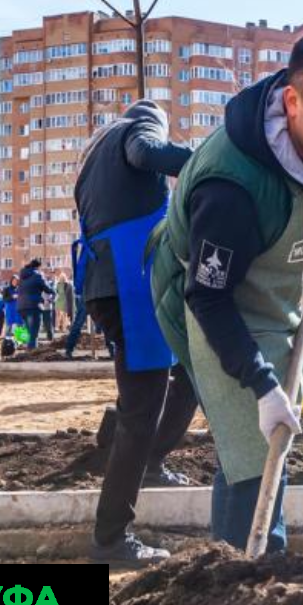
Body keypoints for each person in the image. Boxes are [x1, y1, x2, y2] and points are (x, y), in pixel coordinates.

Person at [151, 26, 303, 553]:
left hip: (276, 298)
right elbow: (209, 297)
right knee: (251, 443)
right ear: (293, 101)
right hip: (208, 301)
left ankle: (242, 568)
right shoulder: (230, 187)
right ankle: (252, 571)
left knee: (265, 440)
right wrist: (262, 383)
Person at [73, 98, 200, 564]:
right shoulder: (138, 125)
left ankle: (150, 459)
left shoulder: (93, 153)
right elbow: (147, 154)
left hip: (110, 282)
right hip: (132, 282)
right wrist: (204, 161)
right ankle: (110, 539)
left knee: (186, 368)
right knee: (141, 408)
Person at [17, 259, 54, 349]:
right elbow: (46, 288)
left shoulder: (22, 276)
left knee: (29, 330)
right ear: (37, 267)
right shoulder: (37, 276)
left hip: (21, 306)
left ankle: (29, 347)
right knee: (34, 330)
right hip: (33, 306)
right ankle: (31, 350)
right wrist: (53, 293)